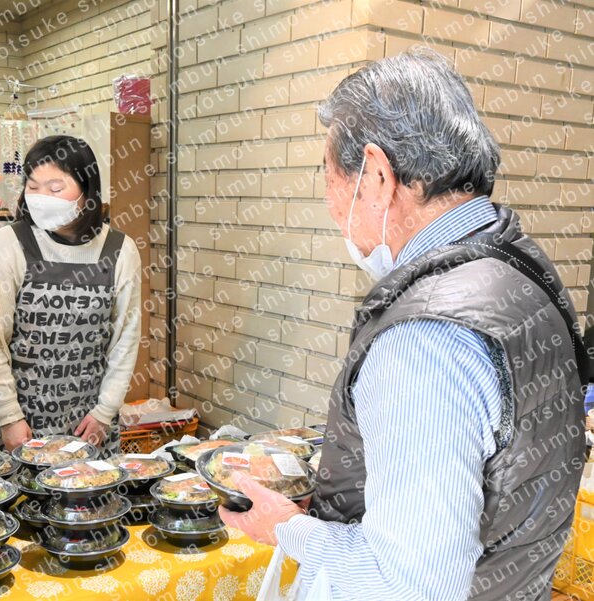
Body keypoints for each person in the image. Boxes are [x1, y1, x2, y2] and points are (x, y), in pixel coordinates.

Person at [221, 49, 586, 601]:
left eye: (328, 177)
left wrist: (287, 528)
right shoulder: (523, 269)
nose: (330, 203)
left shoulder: (425, 340)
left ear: (376, 175)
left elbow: (411, 583)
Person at [0, 135, 142, 454]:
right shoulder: (10, 244)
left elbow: (125, 340)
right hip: (18, 424)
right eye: (33, 187)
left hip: (89, 424)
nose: (41, 198)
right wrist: (9, 416)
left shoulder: (120, 250)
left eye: (56, 188)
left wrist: (105, 412)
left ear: (87, 191)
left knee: (91, 486)